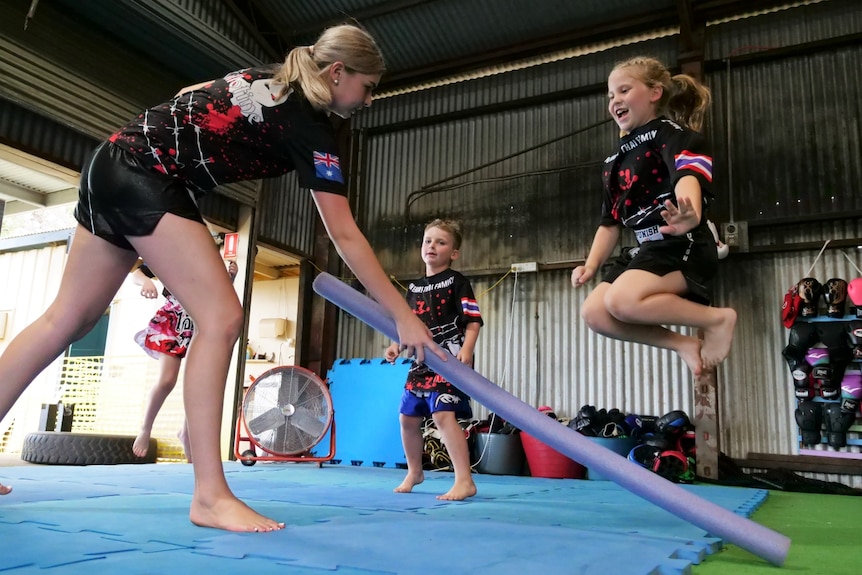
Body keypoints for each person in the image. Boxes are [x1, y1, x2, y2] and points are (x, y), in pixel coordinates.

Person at [0, 23, 446, 531]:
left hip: (112, 160)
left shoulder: (264, 79)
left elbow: (188, 95)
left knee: (68, 317)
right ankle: (210, 495)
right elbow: (344, 236)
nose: (368, 100)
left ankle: (209, 491)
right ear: (338, 72)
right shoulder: (308, 127)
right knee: (222, 316)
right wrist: (403, 315)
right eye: (367, 87)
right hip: (146, 175)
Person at [570, 56, 737, 376]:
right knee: (595, 313)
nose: (615, 100)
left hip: (684, 242)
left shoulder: (672, 134)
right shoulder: (613, 160)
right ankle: (683, 344)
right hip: (648, 250)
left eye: (623, 90)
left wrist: (691, 213)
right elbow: (610, 222)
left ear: (655, 92)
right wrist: (591, 265)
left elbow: (687, 174)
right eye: (610, 96)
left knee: (621, 301)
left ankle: (718, 319)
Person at [385, 219, 482, 501]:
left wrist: (467, 349)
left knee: (442, 414)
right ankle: (415, 471)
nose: (432, 246)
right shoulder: (414, 288)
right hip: (420, 362)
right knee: (407, 417)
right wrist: (395, 345)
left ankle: (464, 479)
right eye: (428, 241)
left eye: (441, 242)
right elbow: (406, 323)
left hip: (449, 358)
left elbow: (473, 321)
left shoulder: (458, 281)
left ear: (454, 253)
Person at [131, 256, 239, 462]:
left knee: (198, 385)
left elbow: (215, 295)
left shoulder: (205, 260)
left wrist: (230, 278)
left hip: (199, 324)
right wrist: (145, 281)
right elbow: (137, 272)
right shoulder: (169, 256)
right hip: (173, 321)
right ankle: (145, 429)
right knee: (167, 380)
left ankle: (187, 434)